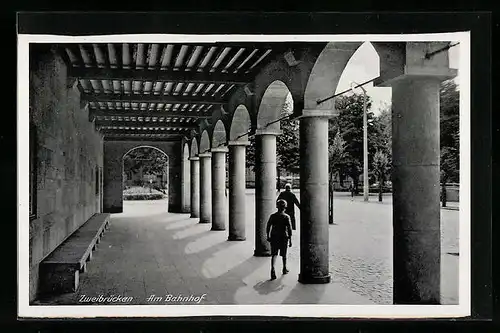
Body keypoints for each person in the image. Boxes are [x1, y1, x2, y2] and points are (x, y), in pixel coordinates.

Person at [266, 199, 293, 280]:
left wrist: (268, 236)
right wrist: (290, 239)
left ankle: (273, 269)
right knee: (284, 254)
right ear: (285, 207)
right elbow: (289, 229)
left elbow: (268, 226)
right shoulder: (286, 217)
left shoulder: (273, 216)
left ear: (277, 207)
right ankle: (284, 268)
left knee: (274, 254)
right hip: (283, 236)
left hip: (274, 236)